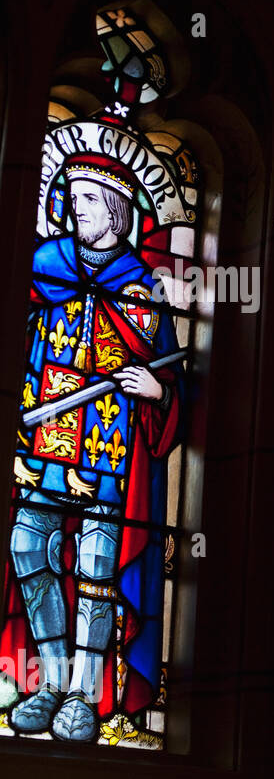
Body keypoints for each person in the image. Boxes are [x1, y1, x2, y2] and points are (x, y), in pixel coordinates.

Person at [3, 153, 183, 742]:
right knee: (28, 545)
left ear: (113, 209)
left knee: (99, 564)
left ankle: (85, 691)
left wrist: (156, 389)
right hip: (43, 432)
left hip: (109, 442)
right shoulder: (43, 264)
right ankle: (50, 680)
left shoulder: (142, 285)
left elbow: (169, 373)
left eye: (84, 200)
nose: (70, 208)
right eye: (70, 198)